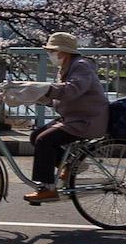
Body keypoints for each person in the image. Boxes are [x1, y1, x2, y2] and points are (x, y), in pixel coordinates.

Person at [24, 32, 110, 204]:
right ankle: (70, 164)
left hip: (87, 120)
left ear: (63, 52)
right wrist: (32, 94)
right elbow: (60, 97)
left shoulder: (81, 66)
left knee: (44, 140)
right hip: (75, 118)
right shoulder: (67, 67)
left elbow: (72, 90)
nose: (50, 55)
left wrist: (46, 88)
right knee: (36, 136)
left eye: (52, 51)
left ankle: (47, 188)